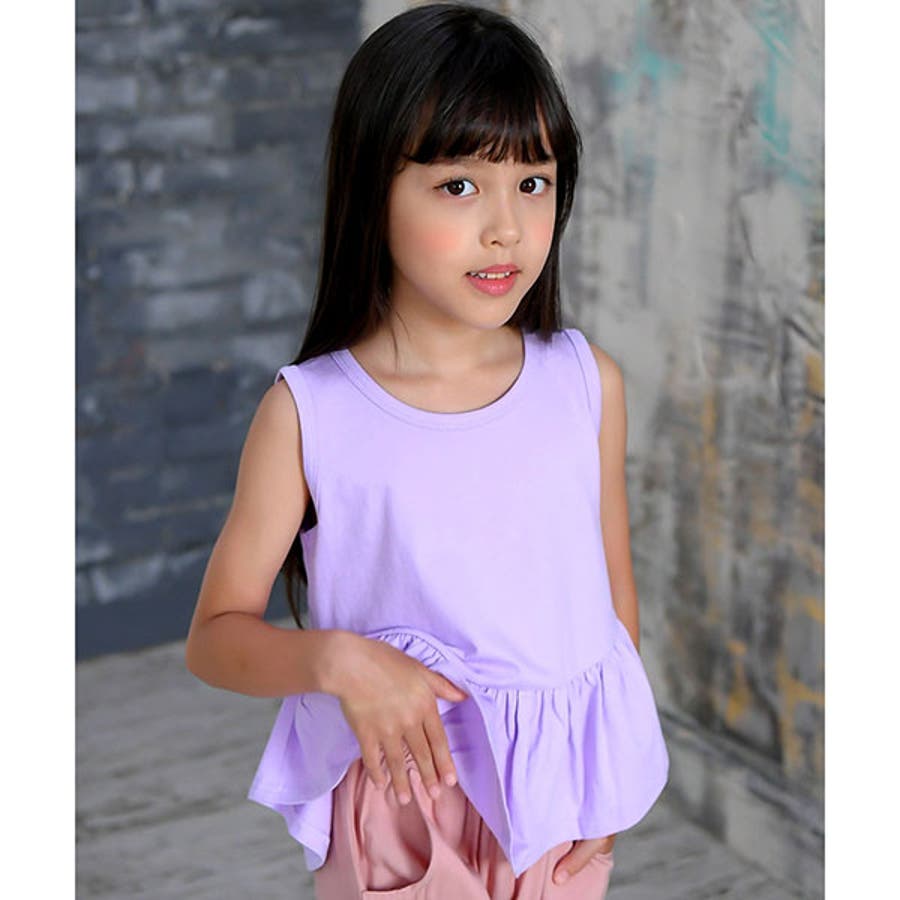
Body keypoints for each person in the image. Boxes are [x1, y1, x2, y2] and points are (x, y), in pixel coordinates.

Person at [185, 3, 669, 897]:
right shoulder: (312, 413)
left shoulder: (585, 383)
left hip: (559, 804)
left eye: (534, 181)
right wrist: (336, 660)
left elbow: (611, 598)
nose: (506, 227)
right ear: (373, 188)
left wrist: (608, 777)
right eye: (458, 186)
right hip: (401, 806)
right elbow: (214, 640)